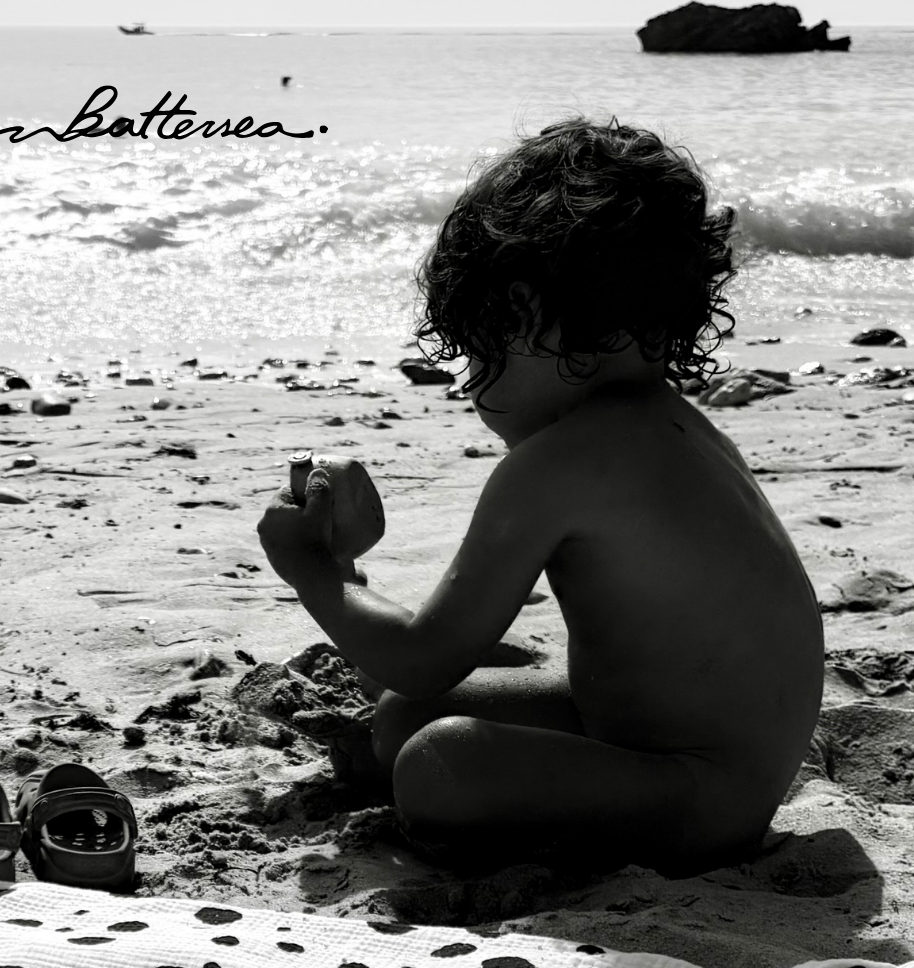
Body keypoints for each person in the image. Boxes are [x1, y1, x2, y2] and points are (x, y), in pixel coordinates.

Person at [256, 118, 823, 876]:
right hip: (678, 745)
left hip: (694, 796)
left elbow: (425, 655)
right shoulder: (680, 429)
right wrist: (348, 573)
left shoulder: (561, 464)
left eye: (479, 357)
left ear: (522, 312)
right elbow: (414, 677)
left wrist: (315, 573)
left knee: (438, 762)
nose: (474, 391)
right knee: (400, 720)